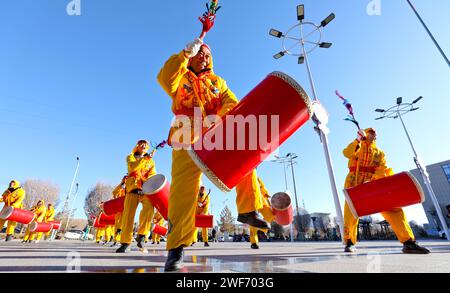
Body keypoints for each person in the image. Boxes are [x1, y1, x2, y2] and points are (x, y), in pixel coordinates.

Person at [157, 36, 269, 272]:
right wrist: (184, 54)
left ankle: (248, 209)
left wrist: (220, 121)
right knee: (182, 193)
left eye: (208, 54)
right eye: (200, 53)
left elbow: (232, 102)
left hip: (214, 131)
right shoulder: (180, 77)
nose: (204, 57)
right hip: (185, 134)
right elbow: (164, 78)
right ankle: (175, 250)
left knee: (244, 152)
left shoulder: (219, 81)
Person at [343, 128, 429, 254]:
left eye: (375, 134)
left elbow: (382, 169)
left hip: (375, 184)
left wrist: (379, 181)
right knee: (351, 213)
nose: (374, 135)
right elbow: (346, 153)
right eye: (371, 133)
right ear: (365, 134)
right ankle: (349, 243)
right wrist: (357, 140)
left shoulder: (379, 153)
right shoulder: (357, 146)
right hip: (354, 183)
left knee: (393, 209)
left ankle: (408, 242)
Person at [116, 140, 156, 253]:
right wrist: (145, 159)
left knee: (149, 210)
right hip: (132, 188)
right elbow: (133, 167)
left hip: (145, 190)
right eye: (141, 143)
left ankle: (142, 236)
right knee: (128, 215)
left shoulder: (151, 162)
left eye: (146, 144)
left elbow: (152, 174)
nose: (143, 145)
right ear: (137, 146)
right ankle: (125, 243)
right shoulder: (130, 157)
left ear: (148, 148)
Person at [249, 178, 275, 249]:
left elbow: (262, 187)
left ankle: (262, 230)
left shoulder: (257, 178)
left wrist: (266, 194)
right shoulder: (243, 178)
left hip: (262, 201)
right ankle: (254, 243)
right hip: (252, 203)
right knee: (253, 223)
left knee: (270, 215)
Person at [111, 175, 127, 246]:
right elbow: (114, 193)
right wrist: (121, 184)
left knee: (125, 224)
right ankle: (116, 240)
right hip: (119, 210)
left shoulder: (130, 188)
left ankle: (123, 241)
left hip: (126, 209)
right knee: (117, 224)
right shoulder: (120, 188)